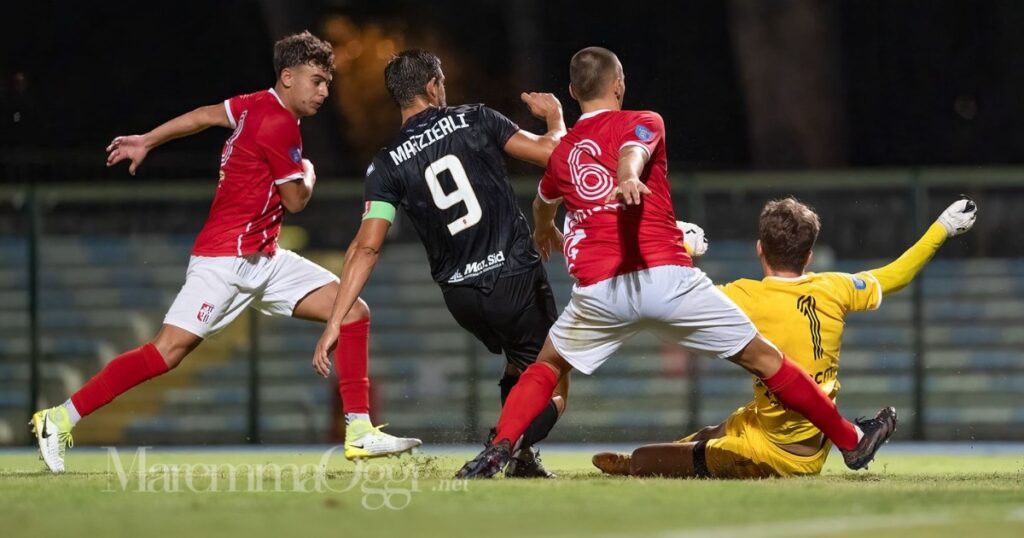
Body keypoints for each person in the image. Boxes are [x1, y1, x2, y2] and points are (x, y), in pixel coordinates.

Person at [456, 46, 896, 479]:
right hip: (666, 279)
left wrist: (543, 229)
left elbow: (543, 202)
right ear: (619, 84)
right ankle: (851, 440)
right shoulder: (645, 120)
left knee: (548, 366)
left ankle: (498, 449)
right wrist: (627, 175)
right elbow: (633, 151)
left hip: (600, 290)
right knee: (767, 360)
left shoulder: (561, 153)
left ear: (572, 91)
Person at [30, 31, 419, 474]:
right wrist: (308, 173)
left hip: (265, 258)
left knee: (353, 311)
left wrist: (148, 140)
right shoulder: (277, 123)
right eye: (316, 81)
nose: (324, 92)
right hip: (225, 262)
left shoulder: (255, 104)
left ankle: (359, 429)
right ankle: (59, 418)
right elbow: (296, 200)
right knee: (166, 352)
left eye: (327, 83)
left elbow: (204, 116)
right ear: (288, 77)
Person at [312, 49, 568, 477]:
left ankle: (523, 460)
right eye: (442, 81)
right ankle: (503, 446)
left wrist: (334, 320)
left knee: (517, 361)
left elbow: (366, 248)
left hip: (462, 297)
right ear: (432, 86)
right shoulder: (475, 119)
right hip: (514, 277)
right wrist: (556, 117)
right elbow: (553, 154)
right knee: (554, 376)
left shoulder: (385, 163)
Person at [592, 196, 977, 478]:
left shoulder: (742, 296)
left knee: (643, 460)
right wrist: (942, 227)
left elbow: (671, 296)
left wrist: (677, 244)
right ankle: (851, 435)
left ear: (759, 249)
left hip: (777, 452)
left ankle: (640, 465)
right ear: (808, 255)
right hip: (800, 431)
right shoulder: (836, 287)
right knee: (710, 433)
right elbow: (899, 274)